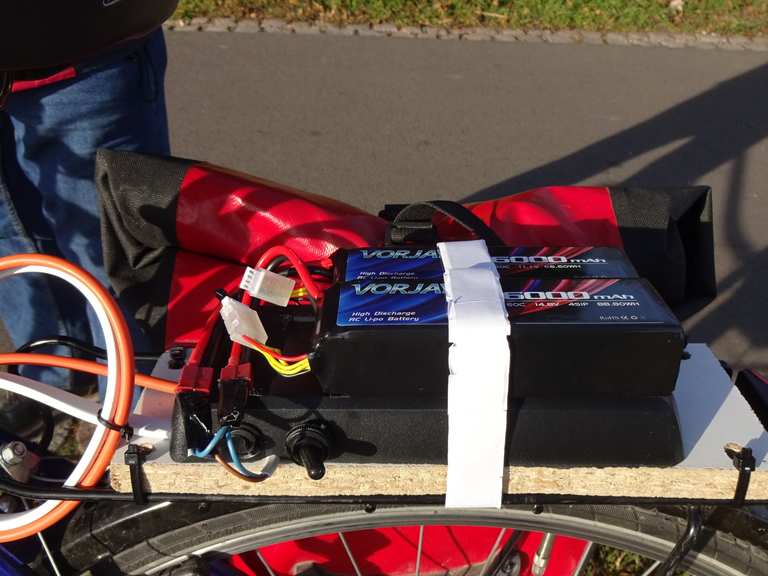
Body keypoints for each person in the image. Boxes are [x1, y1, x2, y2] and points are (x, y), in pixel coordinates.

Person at [0, 28, 170, 423]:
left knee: (115, 256)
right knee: (9, 239)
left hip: (82, 55)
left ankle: (130, 421)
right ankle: (51, 377)